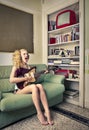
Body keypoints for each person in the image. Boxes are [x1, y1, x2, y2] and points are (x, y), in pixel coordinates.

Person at [9, 48, 54, 125]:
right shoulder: (16, 66)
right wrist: (26, 78)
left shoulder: (29, 68)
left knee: (39, 85)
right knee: (34, 87)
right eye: (24, 54)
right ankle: (39, 113)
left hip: (27, 87)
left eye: (27, 54)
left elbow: (32, 80)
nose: (27, 55)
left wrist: (38, 75)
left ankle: (47, 111)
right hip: (19, 90)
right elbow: (11, 80)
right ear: (20, 56)